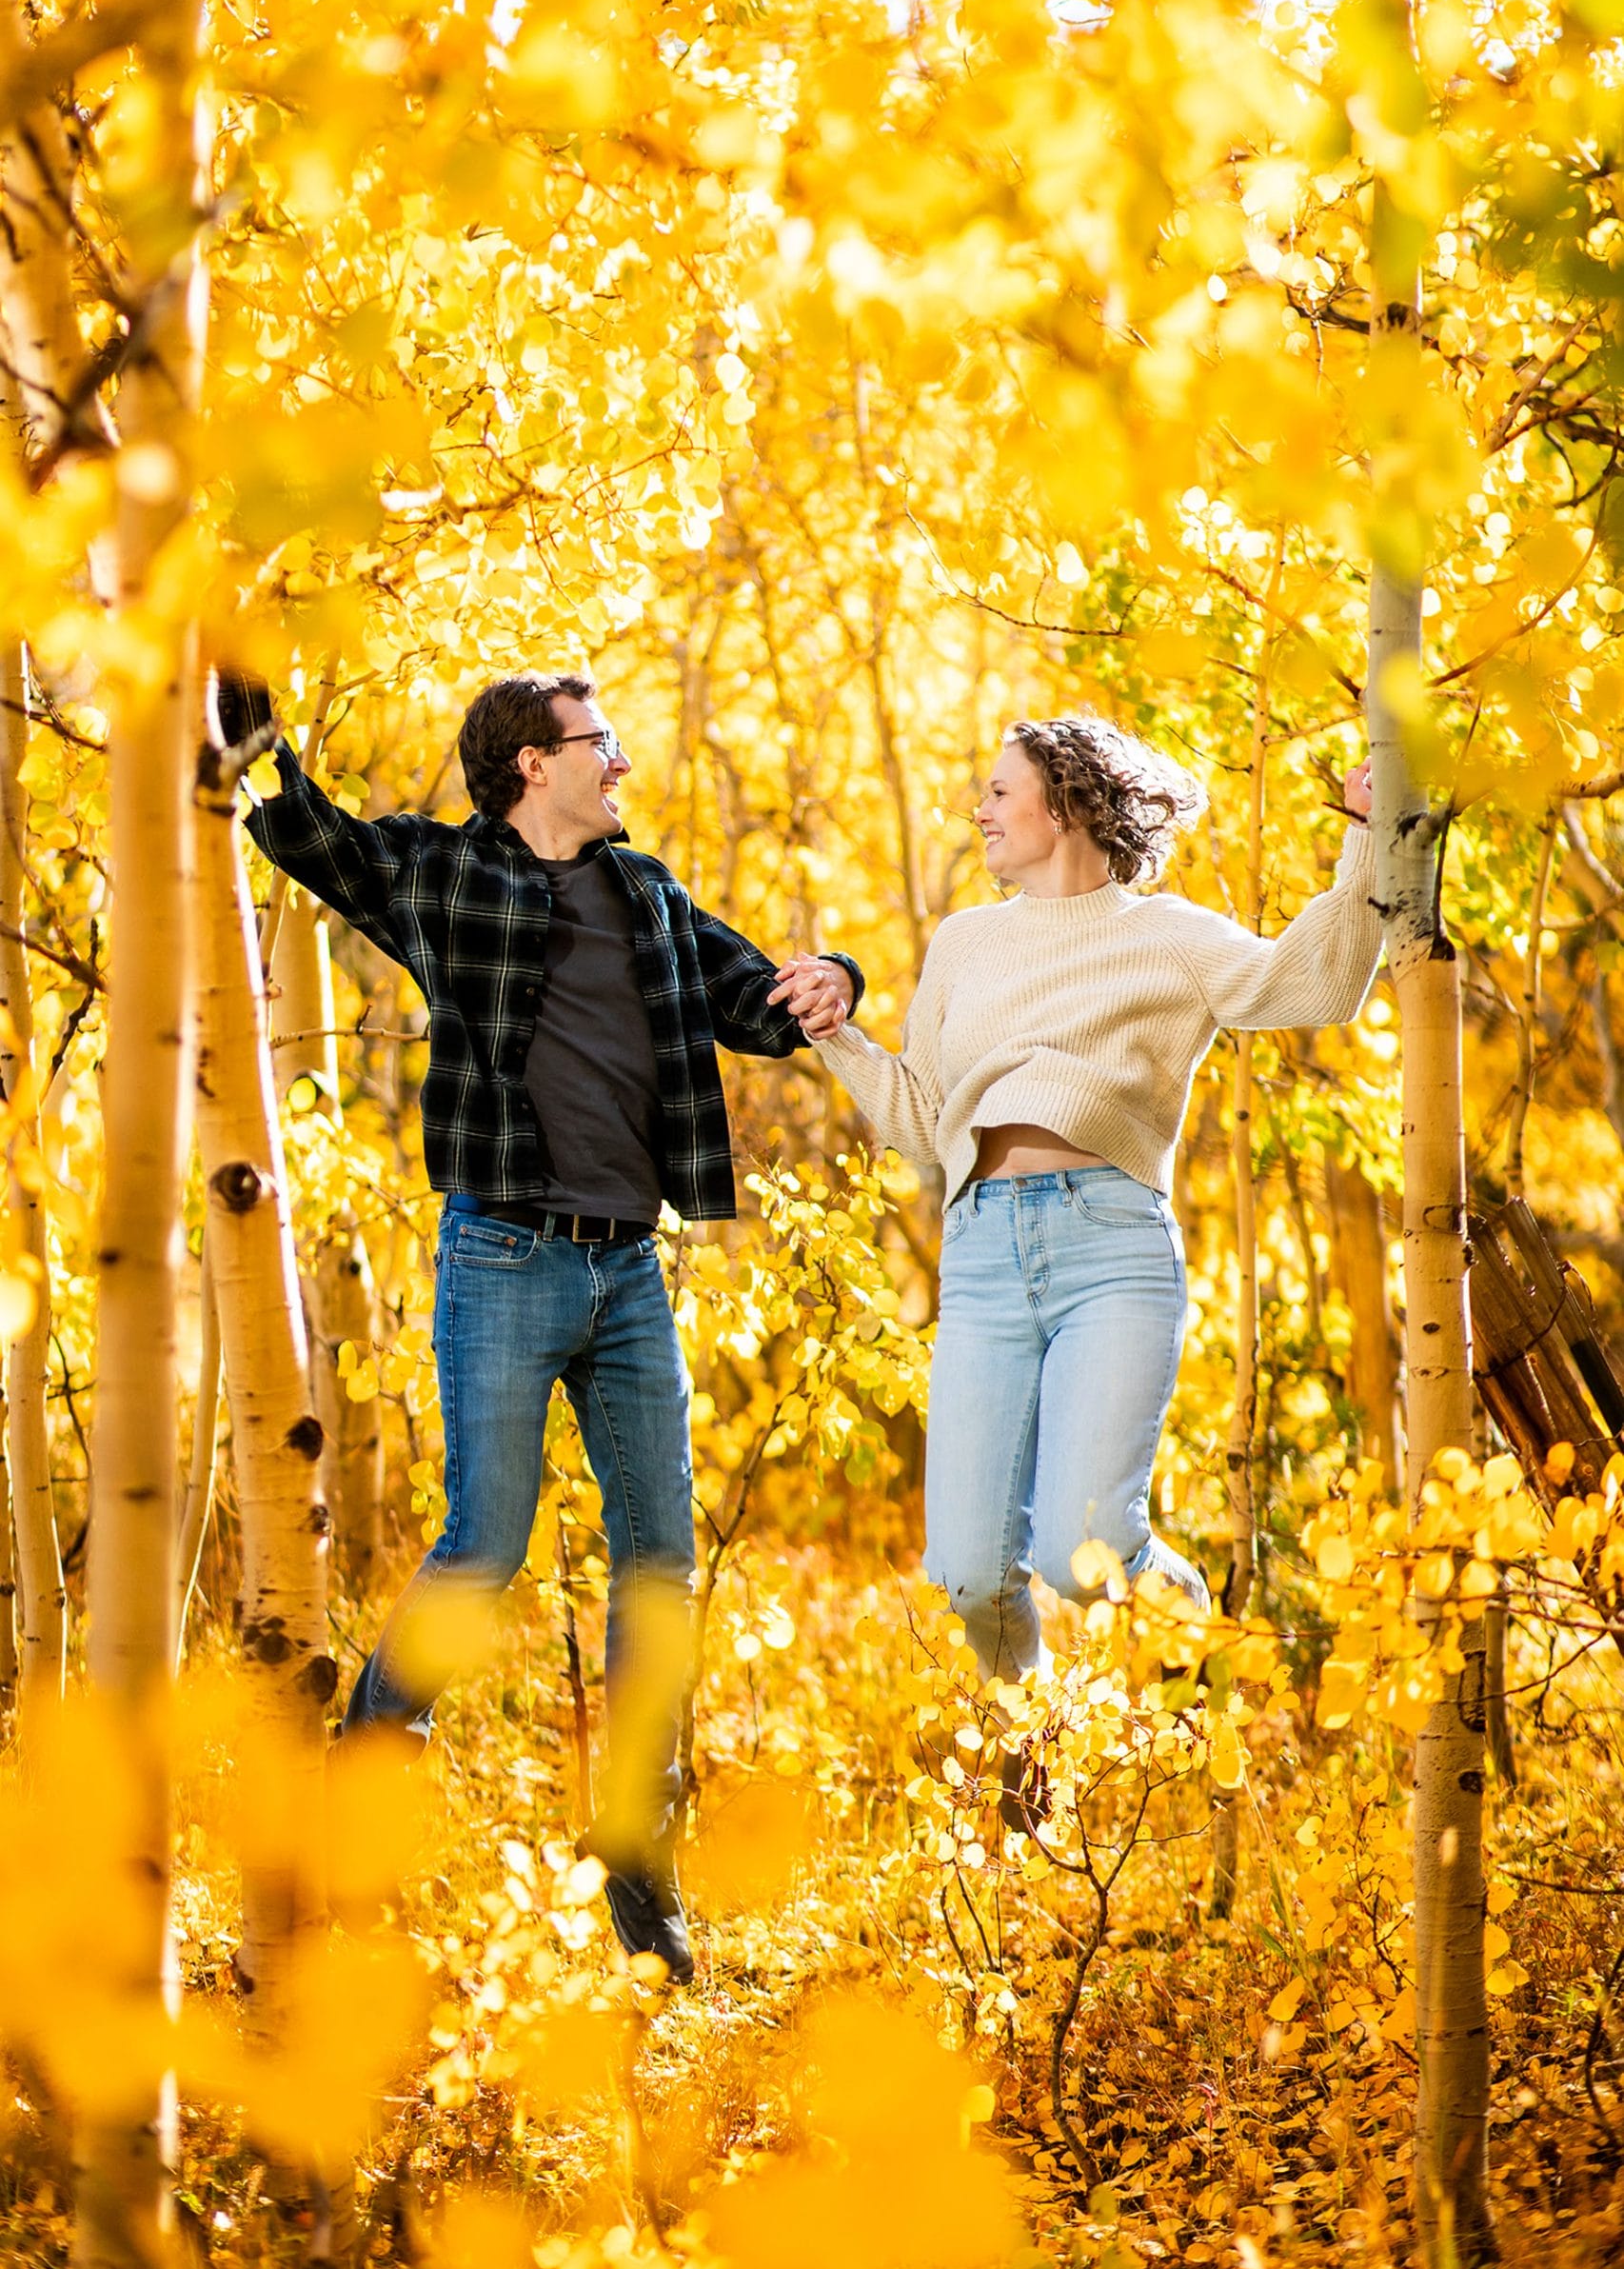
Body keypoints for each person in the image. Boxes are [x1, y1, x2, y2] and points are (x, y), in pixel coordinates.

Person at [221, 668, 862, 1983]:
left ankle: (636, 1853)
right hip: (504, 1255)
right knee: (483, 1546)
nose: (618, 762)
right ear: (529, 763)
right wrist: (256, 743)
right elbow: (316, 839)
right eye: (597, 742)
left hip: (628, 1273)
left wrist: (831, 976)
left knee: (660, 1565)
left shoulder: (648, 893)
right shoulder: (444, 881)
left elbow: (757, 1003)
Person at [781, 712, 1380, 1707]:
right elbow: (926, 1126)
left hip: (1110, 1249)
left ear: (1064, 803)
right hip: (978, 1255)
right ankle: (1023, 1738)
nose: (977, 811)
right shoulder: (963, 943)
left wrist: (1364, 831)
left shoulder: (1168, 936)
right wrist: (838, 1038)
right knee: (969, 1573)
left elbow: (1311, 984)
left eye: (997, 792)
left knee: (1081, 1554)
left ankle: (1197, 1630)